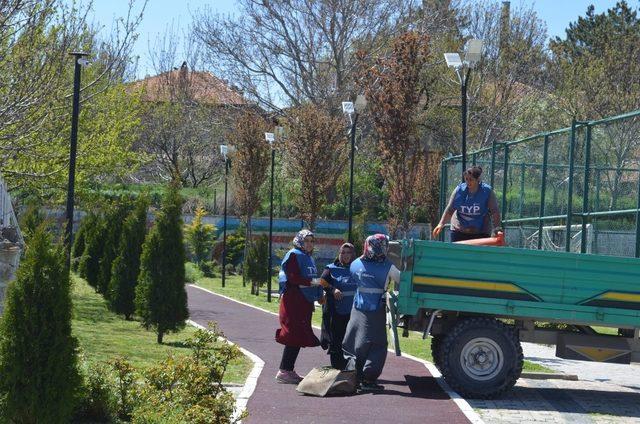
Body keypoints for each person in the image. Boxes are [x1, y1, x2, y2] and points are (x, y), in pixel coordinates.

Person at [342, 234, 400, 392]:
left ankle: (352, 375)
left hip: (357, 308)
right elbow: (401, 279)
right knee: (377, 344)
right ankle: (368, 379)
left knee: (353, 341)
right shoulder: (388, 266)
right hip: (376, 310)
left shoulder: (355, 264)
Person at [275, 229, 324, 384]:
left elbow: (311, 279)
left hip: (304, 301)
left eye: (312, 241)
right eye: (306, 240)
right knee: (293, 334)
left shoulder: (309, 258)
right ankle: (284, 371)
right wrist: (313, 283)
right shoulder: (294, 254)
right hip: (293, 300)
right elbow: (293, 277)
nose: (309, 244)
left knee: (298, 334)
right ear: (299, 240)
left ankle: (288, 369)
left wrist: (317, 293)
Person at [432, 165, 502, 242]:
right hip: (459, 231)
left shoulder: (487, 191)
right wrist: (441, 224)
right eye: (466, 179)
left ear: (478, 180)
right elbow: (450, 210)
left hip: (481, 232)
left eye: (471, 179)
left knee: (478, 253)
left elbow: (494, 211)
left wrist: (497, 228)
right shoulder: (459, 190)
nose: (468, 182)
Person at [319, 242, 357, 370]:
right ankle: (337, 369)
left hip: (354, 313)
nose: (346, 255)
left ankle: (351, 370)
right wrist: (333, 289)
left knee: (352, 341)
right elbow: (321, 281)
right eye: (343, 252)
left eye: (349, 252)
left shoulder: (358, 268)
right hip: (335, 312)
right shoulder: (331, 268)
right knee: (336, 341)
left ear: (353, 254)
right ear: (339, 254)